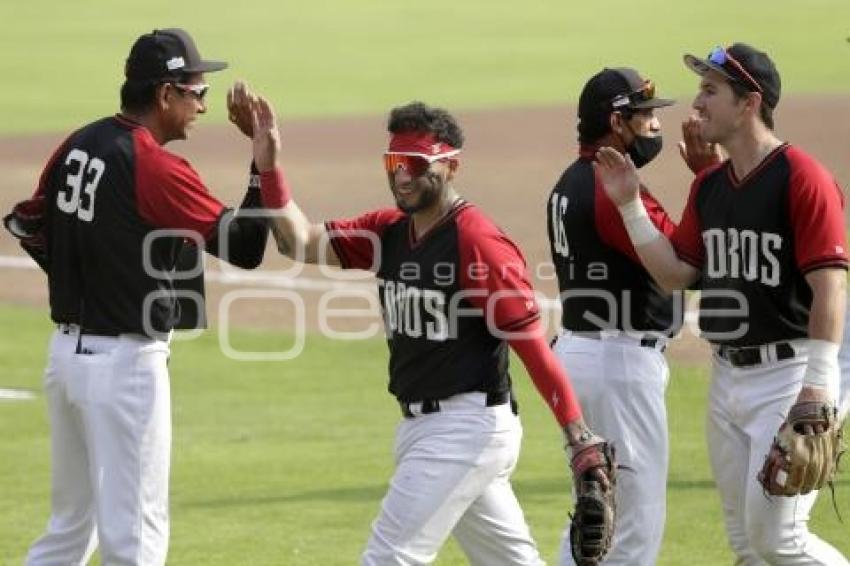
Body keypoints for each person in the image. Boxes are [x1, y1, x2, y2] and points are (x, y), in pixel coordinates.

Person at [245, 98, 615, 565]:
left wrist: (578, 438)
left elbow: (532, 348)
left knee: (388, 556)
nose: (402, 176)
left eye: (416, 165)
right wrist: (269, 167)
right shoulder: (388, 232)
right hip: (428, 430)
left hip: (465, 427)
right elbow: (295, 241)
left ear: (450, 166)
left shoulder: (476, 241)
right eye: (394, 162)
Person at [3, 28, 270, 565]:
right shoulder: (156, 166)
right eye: (196, 91)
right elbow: (245, 247)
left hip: (65, 360)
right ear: (164, 94)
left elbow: (32, 225)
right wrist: (262, 164)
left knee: (68, 532)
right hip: (124, 368)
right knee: (137, 540)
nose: (203, 104)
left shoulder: (79, 142)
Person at [595, 42, 848, 564]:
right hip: (727, 381)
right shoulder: (711, 185)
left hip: (788, 377)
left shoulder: (802, 177)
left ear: (749, 102)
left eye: (711, 90)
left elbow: (830, 286)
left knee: (779, 540)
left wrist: (818, 385)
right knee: (745, 545)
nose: (697, 103)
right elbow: (674, 275)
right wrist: (630, 204)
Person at [546, 67, 682, 565]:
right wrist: (712, 179)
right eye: (644, 114)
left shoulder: (570, 179)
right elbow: (680, 263)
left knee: (594, 520)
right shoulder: (612, 188)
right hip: (619, 363)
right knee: (632, 528)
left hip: (583, 354)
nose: (654, 124)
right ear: (615, 121)